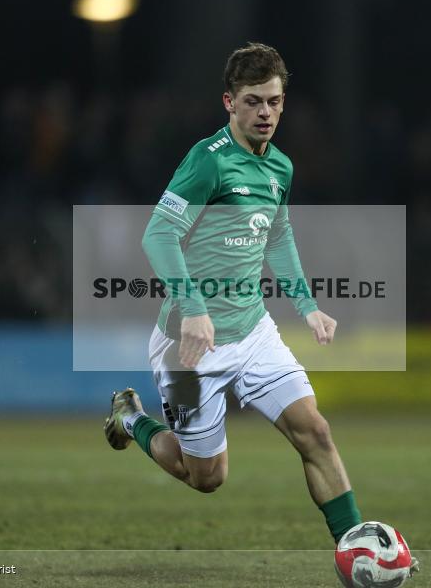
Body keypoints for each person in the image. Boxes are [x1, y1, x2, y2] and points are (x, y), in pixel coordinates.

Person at [104, 43, 363, 543]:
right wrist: (195, 311)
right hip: (189, 346)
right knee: (206, 476)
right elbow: (158, 234)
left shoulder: (279, 168)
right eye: (252, 101)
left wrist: (307, 305)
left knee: (316, 432)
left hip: (254, 332)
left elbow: (279, 236)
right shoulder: (208, 162)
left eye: (273, 101)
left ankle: (356, 545)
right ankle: (130, 417)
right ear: (229, 102)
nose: (264, 112)